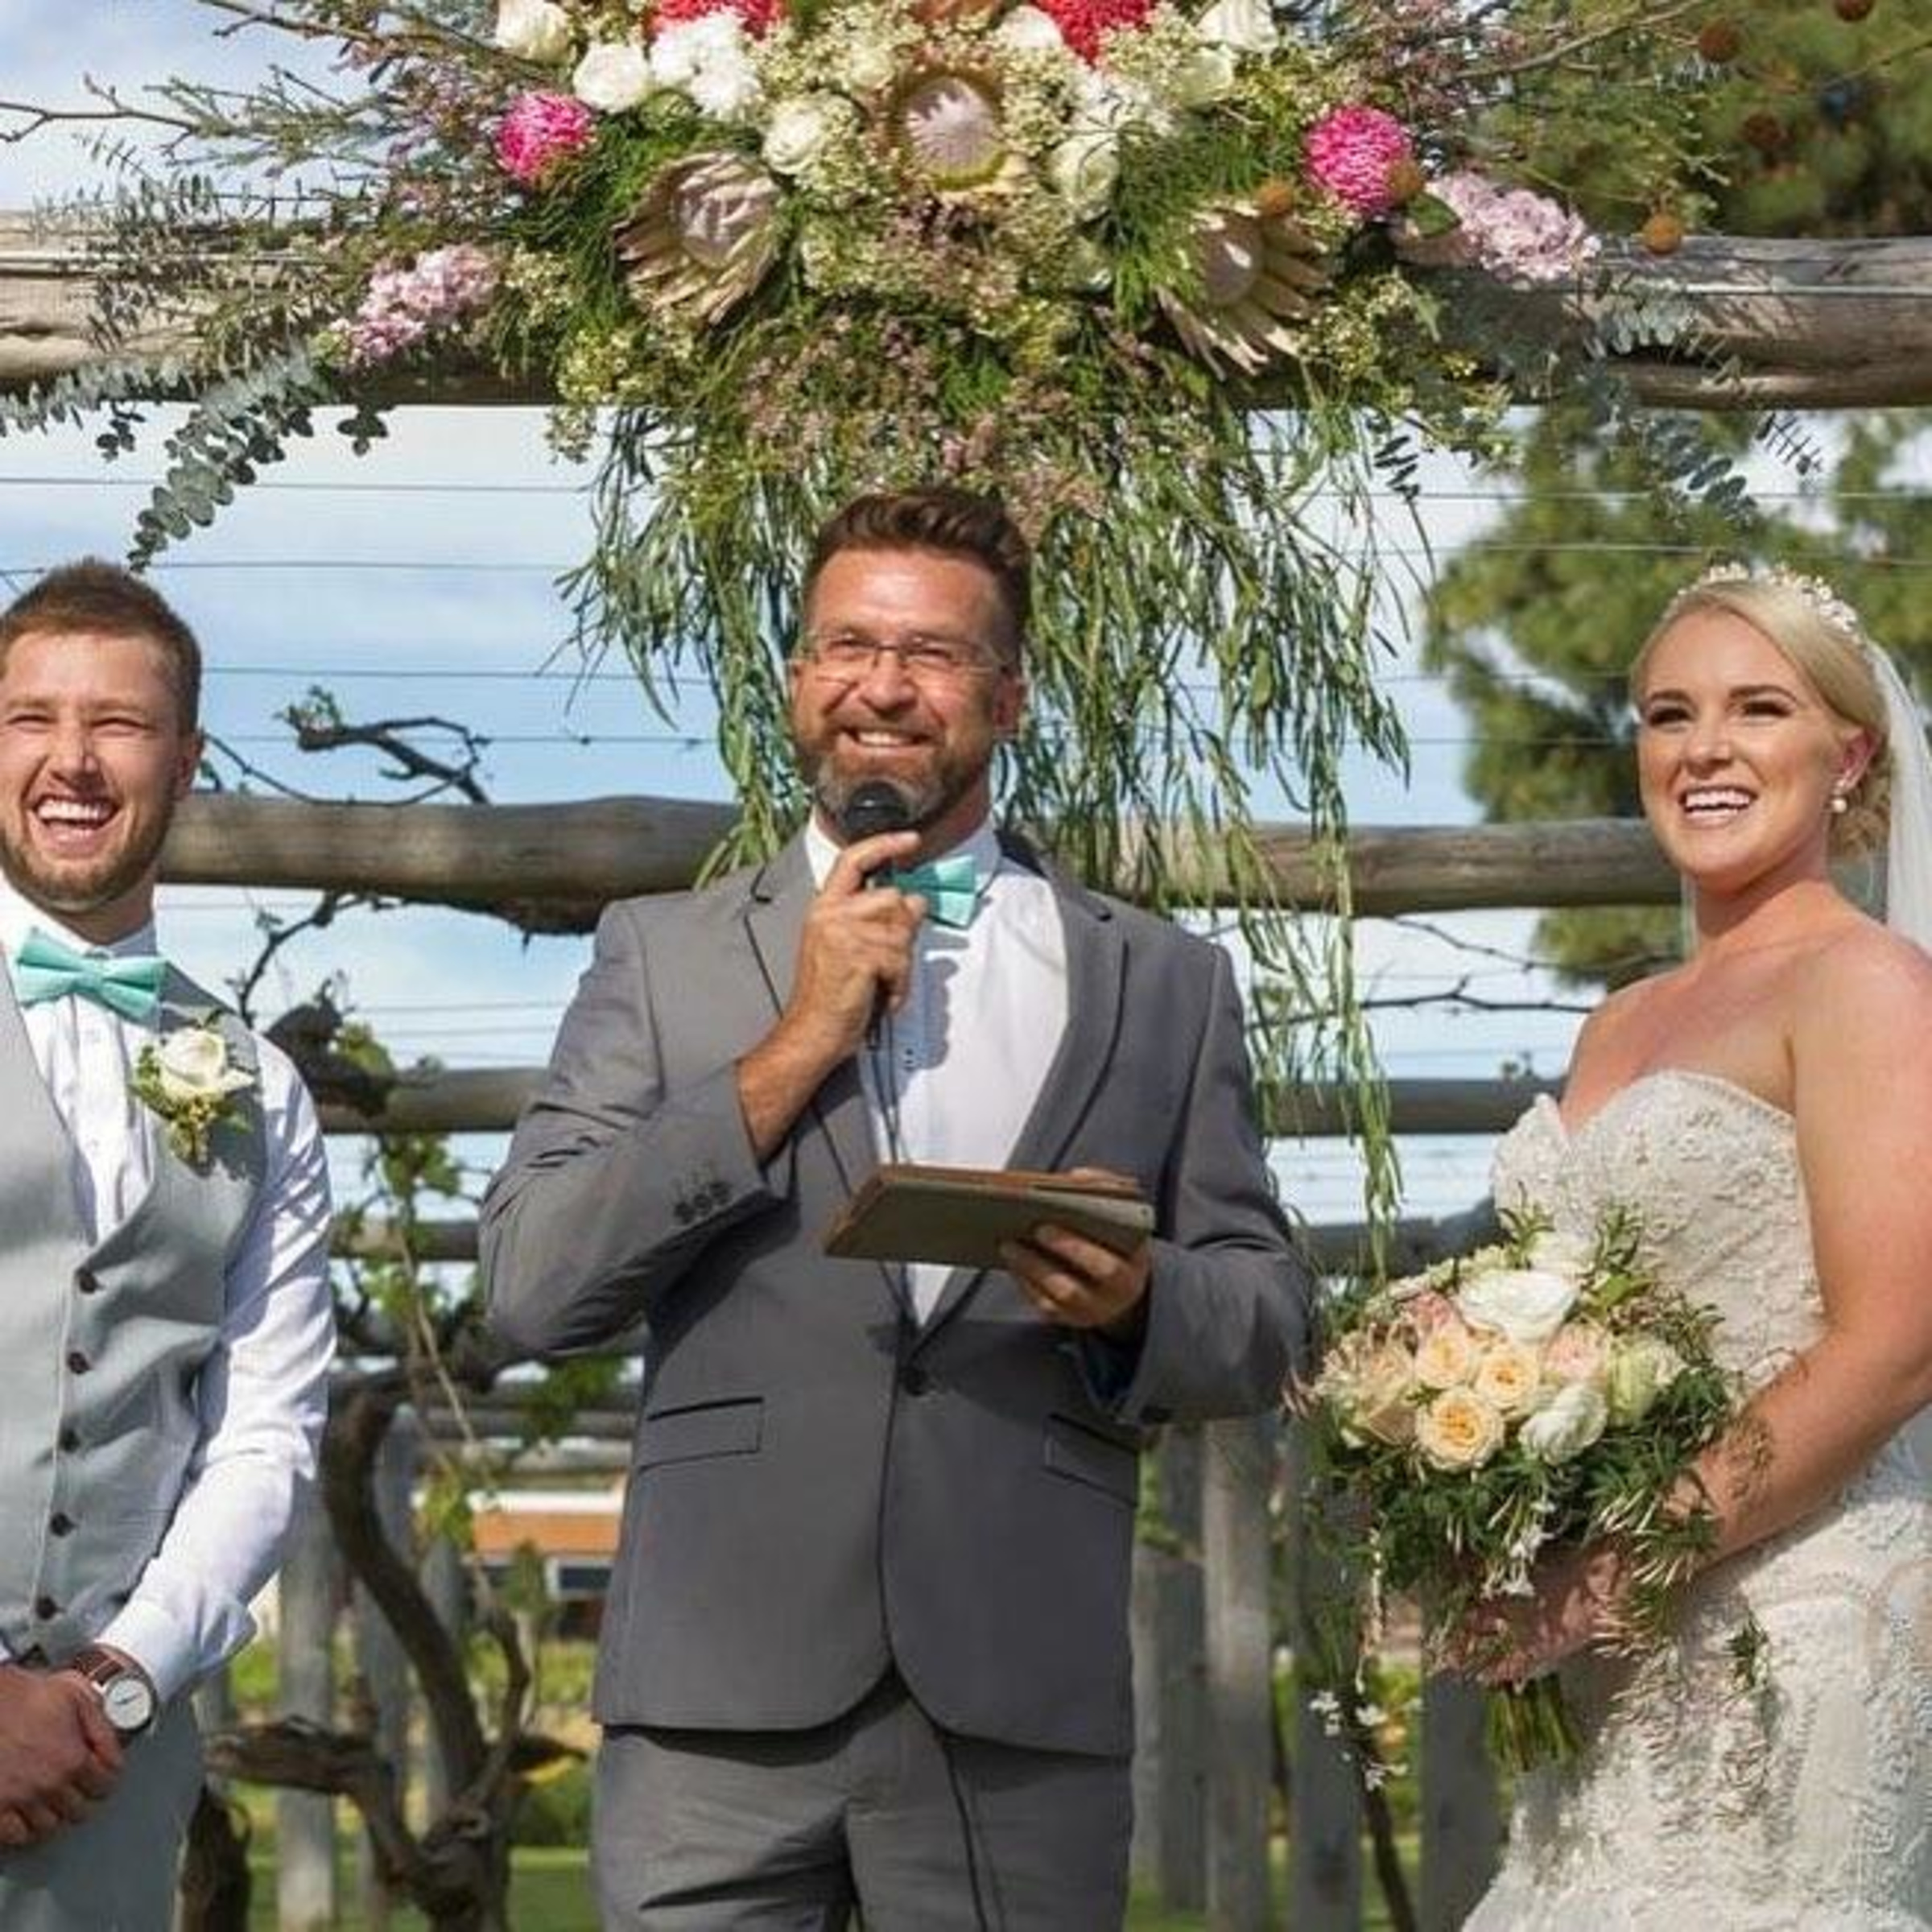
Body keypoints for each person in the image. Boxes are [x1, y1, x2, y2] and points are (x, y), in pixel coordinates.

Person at [481, 487, 1307, 1930]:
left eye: (930, 655)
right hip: (714, 1704)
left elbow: (1267, 1315)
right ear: (798, 680)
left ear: (1010, 694)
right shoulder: (661, 957)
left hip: (1016, 1692)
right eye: (844, 646)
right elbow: (533, 1286)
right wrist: (793, 1045)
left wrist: (1140, 1300)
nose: (881, 687)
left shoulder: (1164, 983)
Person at [1463, 562, 1932, 1926]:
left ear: (1849, 753)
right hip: (1615, 1635)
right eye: (1670, 715)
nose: (1705, 750)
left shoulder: (1870, 987)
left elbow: (1898, 1343)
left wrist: (1614, 1569)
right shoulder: (1619, 1021)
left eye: (1757, 708)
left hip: (1805, 1606)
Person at [0, 561, 335, 1930]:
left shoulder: (262, 1086)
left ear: (185, 759)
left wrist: (119, 1681)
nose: (71, 762)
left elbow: (265, 1435)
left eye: (118, 725)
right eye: (31, 718)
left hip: (108, 1769)